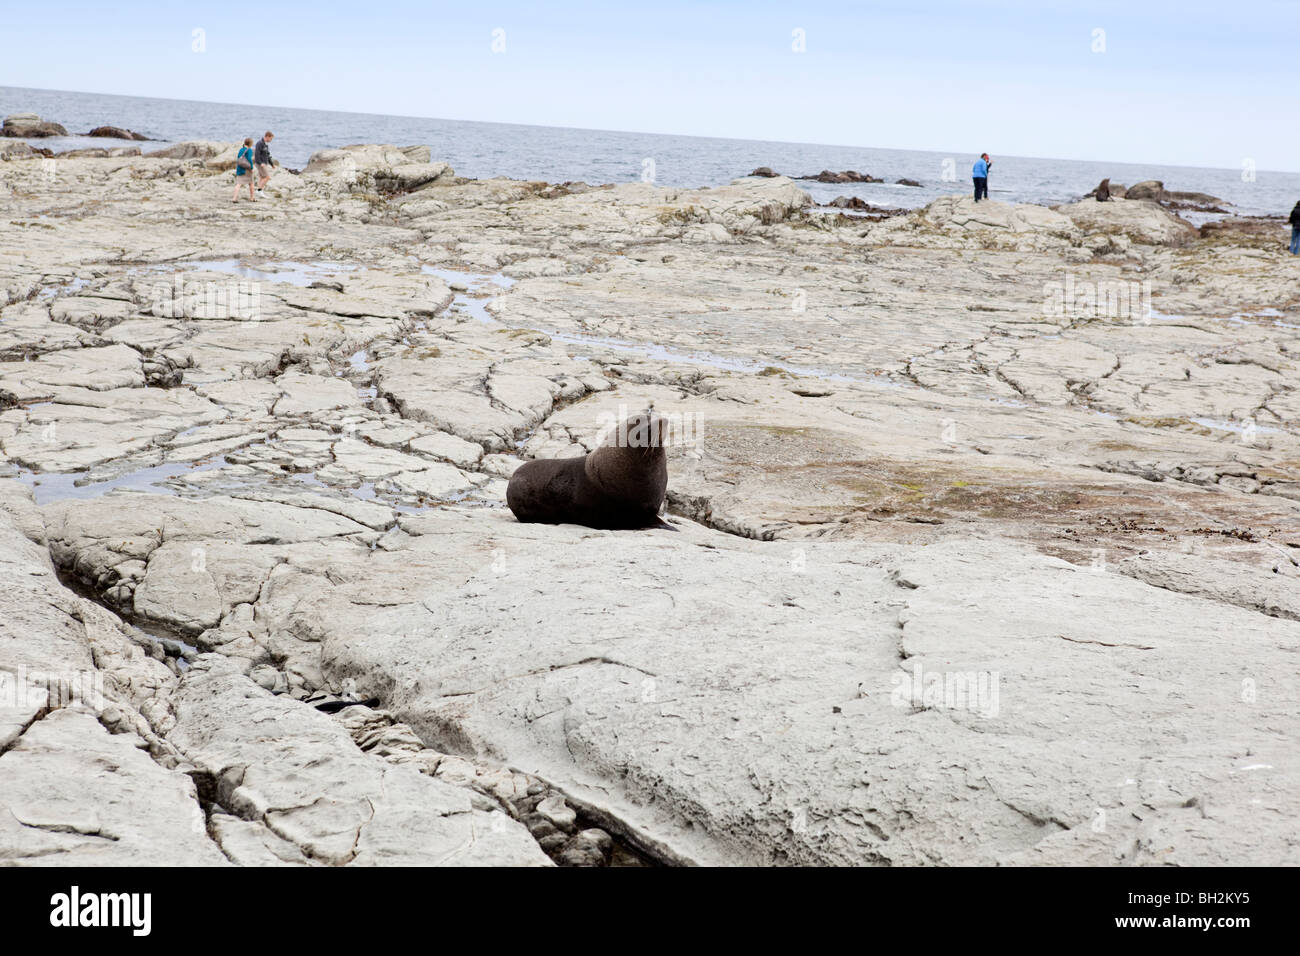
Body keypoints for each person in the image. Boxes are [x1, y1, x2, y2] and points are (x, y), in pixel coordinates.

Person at [232, 137, 256, 202]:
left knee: (239, 183)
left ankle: (234, 198)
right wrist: (251, 167)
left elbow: (239, 158)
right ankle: (252, 197)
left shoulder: (241, 149)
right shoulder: (249, 150)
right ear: (250, 144)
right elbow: (249, 159)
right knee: (251, 183)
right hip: (247, 169)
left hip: (240, 168)